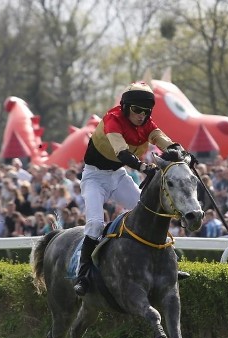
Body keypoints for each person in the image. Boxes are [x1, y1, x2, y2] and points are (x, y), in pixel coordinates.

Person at [73, 82, 186, 296]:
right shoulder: (112, 119)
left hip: (118, 176)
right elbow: (122, 154)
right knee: (96, 224)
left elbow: (164, 140)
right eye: (136, 110)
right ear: (125, 108)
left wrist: (181, 152)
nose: (141, 115)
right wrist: (144, 167)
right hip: (94, 177)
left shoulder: (147, 123)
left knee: (149, 215)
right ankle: (83, 275)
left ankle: (168, 266)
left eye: (146, 111)